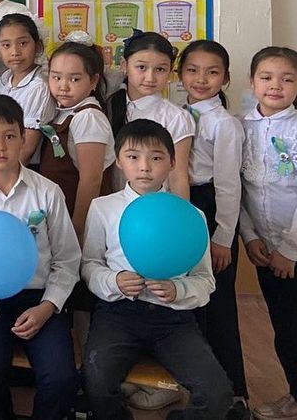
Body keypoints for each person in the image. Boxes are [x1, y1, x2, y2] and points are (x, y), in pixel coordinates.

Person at [81, 119, 231, 420]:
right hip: (118, 315)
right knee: (95, 382)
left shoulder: (190, 216)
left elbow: (205, 279)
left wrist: (179, 289)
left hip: (174, 320)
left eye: (156, 157)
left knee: (217, 394)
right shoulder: (103, 208)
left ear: (172, 163)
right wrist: (114, 281)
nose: (144, 167)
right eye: (133, 156)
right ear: (119, 161)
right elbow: (89, 265)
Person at [0, 95, 80, 420]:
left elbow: (67, 259)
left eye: (9, 136)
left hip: (39, 299)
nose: (0, 146)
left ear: (23, 138)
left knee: (61, 377)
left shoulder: (47, 191)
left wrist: (47, 307)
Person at [178, 39, 249, 414]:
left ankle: (234, 393)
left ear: (226, 78)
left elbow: (229, 185)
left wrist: (223, 238)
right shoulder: (179, 113)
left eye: (212, 72)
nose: (201, 79)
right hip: (183, 204)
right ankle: (197, 388)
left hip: (211, 208)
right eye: (192, 70)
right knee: (188, 299)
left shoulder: (224, 124)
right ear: (180, 75)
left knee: (217, 304)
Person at [240, 47, 297, 420]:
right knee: (285, 327)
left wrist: (291, 249)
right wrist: (250, 237)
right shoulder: (241, 127)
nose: (275, 85)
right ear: (252, 82)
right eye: (266, 77)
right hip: (265, 251)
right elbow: (238, 189)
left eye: (287, 78)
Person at [43, 33, 115, 239]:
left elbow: (91, 180)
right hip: (60, 216)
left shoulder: (88, 117)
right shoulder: (61, 111)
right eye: (56, 77)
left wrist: (79, 228)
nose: (63, 86)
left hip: (78, 223)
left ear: (93, 81)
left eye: (74, 79)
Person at [107, 31, 195, 198]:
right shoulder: (110, 106)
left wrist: (181, 213)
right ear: (124, 65)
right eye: (141, 67)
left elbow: (178, 177)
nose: (150, 77)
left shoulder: (176, 117)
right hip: (114, 204)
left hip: (158, 205)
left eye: (160, 69)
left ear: (170, 71)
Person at [0, 13, 55, 168]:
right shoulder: (0, 83)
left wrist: (2, 176)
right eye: (6, 45)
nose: (15, 52)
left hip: (23, 168)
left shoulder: (39, 87)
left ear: (38, 46)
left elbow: (26, 150)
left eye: (23, 43)